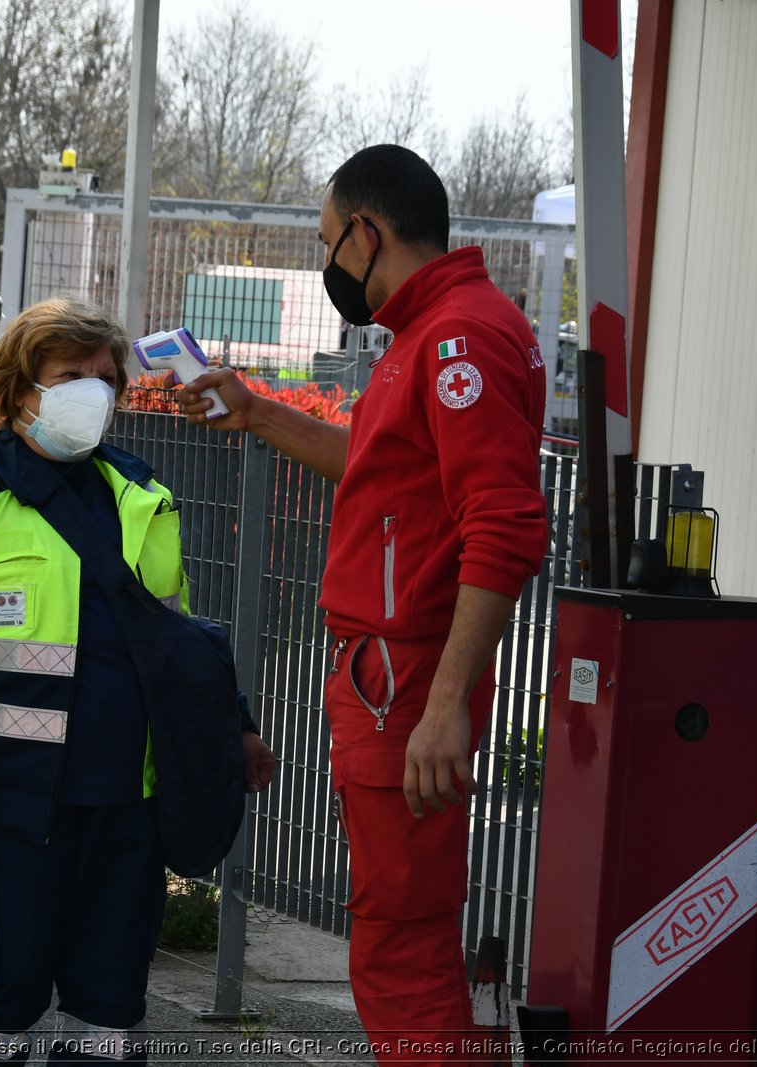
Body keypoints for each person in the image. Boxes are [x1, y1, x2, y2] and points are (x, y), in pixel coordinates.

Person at [178, 145, 548, 1064]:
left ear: (366, 232)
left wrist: (445, 703)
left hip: (408, 680)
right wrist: (258, 411)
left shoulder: (458, 338)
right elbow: (383, 465)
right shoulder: (428, 333)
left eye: (325, 238)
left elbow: (503, 526)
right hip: (395, 679)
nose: (327, 260)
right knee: (400, 935)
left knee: (401, 947)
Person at [0, 296, 274, 1064]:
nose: (94, 392)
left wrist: (231, 722)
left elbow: (170, 642)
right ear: (20, 390)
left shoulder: (141, 496)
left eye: (106, 377)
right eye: (71, 375)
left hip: (130, 813)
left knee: (107, 1024)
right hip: (12, 808)